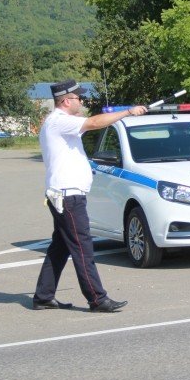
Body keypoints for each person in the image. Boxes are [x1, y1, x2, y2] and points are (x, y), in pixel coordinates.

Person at [32, 80, 147, 312]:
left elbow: (90, 123)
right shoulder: (60, 121)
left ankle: (43, 296)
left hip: (65, 195)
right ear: (65, 101)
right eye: (78, 98)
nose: (81, 102)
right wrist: (127, 112)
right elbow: (95, 122)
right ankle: (97, 299)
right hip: (68, 197)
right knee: (83, 248)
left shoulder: (59, 123)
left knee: (61, 246)